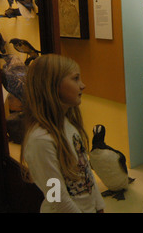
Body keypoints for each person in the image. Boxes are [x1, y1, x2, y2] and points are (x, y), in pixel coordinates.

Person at [20, 54, 105, 213]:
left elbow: (86, 174)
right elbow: (57, 198)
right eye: (75, 79)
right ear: (52, 85)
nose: (83, 85)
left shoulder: (69, 126)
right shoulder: (40, 140)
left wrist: (99, 207)